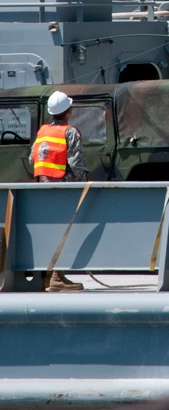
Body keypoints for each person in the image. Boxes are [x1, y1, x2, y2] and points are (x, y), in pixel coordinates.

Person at [30, 90, 89, 293]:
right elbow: (76, 163)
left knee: (47, 233)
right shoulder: (70, 132)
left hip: (41, 191)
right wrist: (84, 184)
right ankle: (57, 277)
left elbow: (32, 159)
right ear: (68, 111)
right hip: (62, 190)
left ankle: (47, 277)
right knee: (64, 232)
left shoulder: (42, 131)